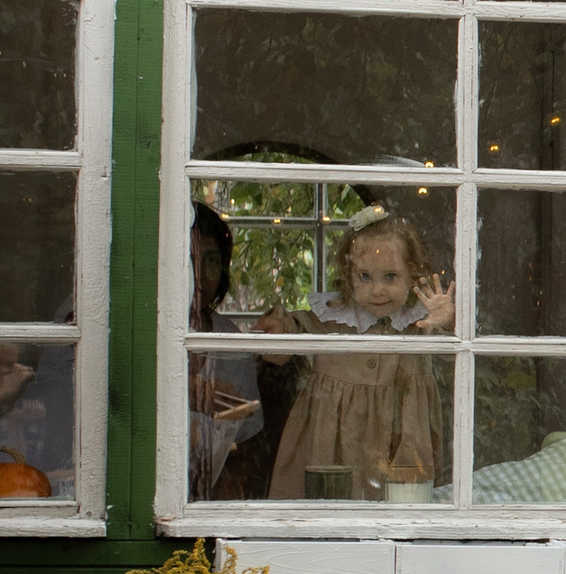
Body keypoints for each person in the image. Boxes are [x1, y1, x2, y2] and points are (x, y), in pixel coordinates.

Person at [261, 208, 453, 500]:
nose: (377, 290)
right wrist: (278, 327)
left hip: (402, 442)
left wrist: (447, 321)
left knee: (402, 508)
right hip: (333, 443)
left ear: (412, 276)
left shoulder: (418, 322)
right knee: (326, 507)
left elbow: (455, 353)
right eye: (365, 277)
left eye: (390, 277)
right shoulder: (332, 318)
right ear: (348, 276)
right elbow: (291, 335)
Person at [187, 201, 264, 499]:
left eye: (211, 261)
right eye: (190, 259)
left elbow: (244, 444)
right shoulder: (145, 331)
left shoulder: (230, 340)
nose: (201, 274)